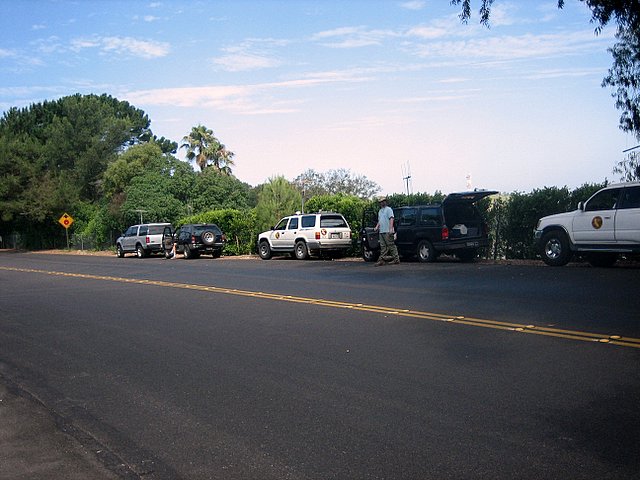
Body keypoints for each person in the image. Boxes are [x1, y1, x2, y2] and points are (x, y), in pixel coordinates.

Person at [374, 196, 400, 266]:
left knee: (391, 245)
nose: (382, 203)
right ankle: (382, 260)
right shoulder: (380, 211)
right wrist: (377, 227)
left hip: (387, 231)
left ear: (385, 202)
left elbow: (391, 218)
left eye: (383, 201)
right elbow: (380, 220)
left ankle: (396, 259)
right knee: (383, 246)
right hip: (381, 231)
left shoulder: (389, 209)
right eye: (381, 202)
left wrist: (390, 229)